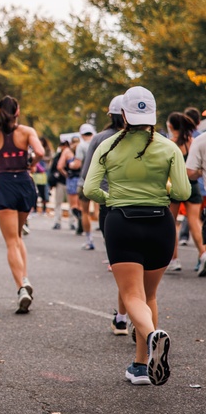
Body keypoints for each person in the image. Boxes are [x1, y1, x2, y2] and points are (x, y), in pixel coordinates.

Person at [83, 86, 190, 386]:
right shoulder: (169, 147)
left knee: (132, 295)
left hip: (122, 223)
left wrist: (112, 198)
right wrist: (162, 191)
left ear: (124, 115)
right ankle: (140, 365)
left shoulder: (108, 146)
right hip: (160, 224)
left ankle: (153, 336)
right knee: (150, 295)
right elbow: (183, 192)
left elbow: (90, 190)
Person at [0, 96, 44, 313]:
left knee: (12, 240)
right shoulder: (27, 131)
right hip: (24, 181)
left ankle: (21, 285)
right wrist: (30, 164)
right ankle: (24, 277)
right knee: (18, 235)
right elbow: (40, 152)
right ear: (17, 111)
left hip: (4, 183)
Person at [80, 94, 128, 333]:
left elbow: (88, 178)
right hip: (152, 208)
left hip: (112, 206)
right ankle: (141, 322)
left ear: (111, 115)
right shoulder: (155, 140)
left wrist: (105, 199)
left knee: (123, 264)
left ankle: (123, 317)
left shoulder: (100, 139)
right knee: (144, 269)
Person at [166, 111, 206, 275]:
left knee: (171, 223)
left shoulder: (170, 144)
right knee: (195, 221)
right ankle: (203, 254)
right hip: (194, 185)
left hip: (174, 186)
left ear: (171, 126)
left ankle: (173, 259)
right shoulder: (192, 142)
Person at [72, 124, 97, 248]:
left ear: (81, 134)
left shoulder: (81, 146)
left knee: (85, 212)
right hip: (101, 181)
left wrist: (70, 165)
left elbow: (77, 164)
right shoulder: (100, 142)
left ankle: (89, 240)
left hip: (85, 181)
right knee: (104, 211)